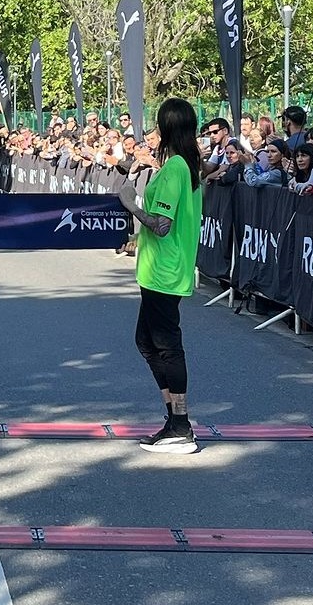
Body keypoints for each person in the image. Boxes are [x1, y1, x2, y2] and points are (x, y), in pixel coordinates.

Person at [118, 98, 202, 454]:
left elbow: (163, 225)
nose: (151, 133)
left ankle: (181, 425)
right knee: (146, 342)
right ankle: (173, 418)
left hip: (165, 272)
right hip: (158, 268)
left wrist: (131, 204)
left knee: (166, 345)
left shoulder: (175, 168)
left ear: (167, 127)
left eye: (156, 126)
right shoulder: (183, 165)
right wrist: (138, 239)